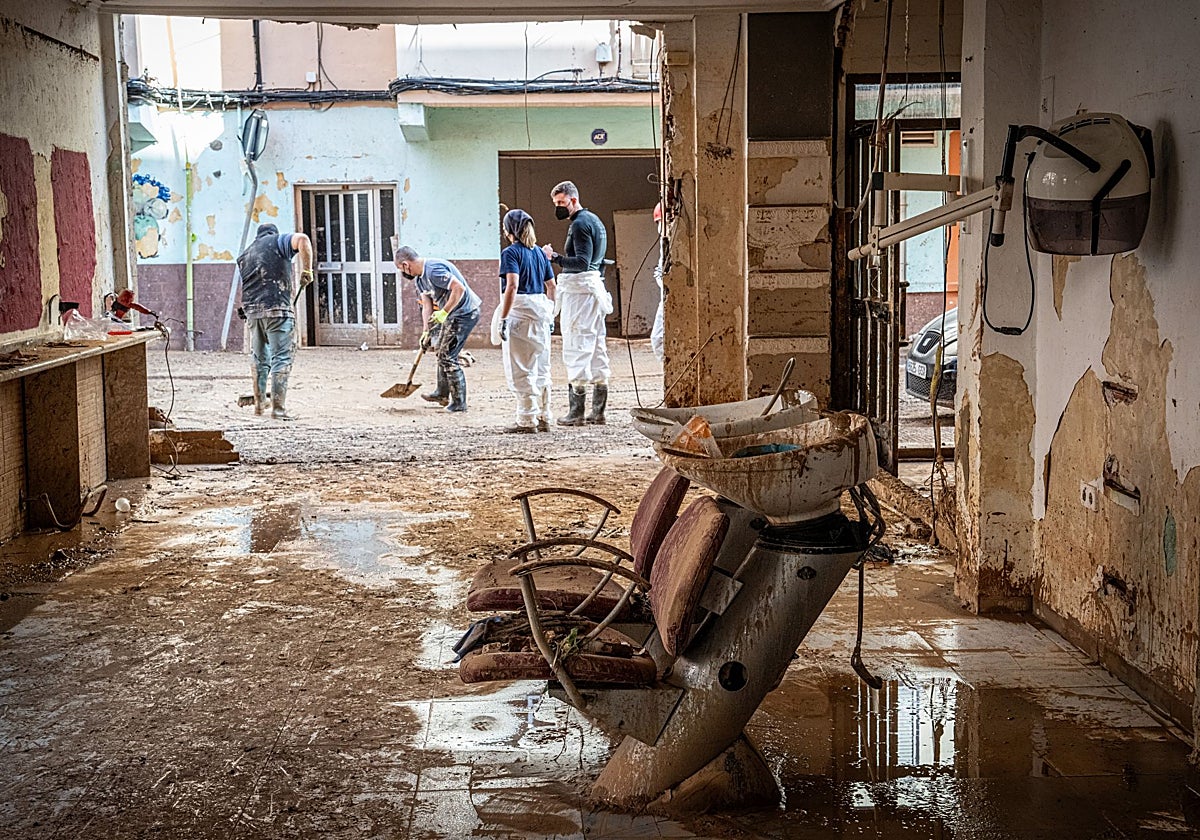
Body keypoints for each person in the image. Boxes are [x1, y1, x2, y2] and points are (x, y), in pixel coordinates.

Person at [541, 180, 611, 426]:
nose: (558, 207)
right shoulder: (595, 220)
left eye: (561, 202)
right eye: (556, 203)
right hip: (592, 290)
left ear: (573, 199)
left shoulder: (580, 224)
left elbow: (581, 262)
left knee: (577, 345)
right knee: (597, 346)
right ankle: (598, 411)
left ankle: (576, 411)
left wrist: (554, 257)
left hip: (580, 293)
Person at [235, 223, 313, 420]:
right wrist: (307, 270)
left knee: (260, 359)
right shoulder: (278, 241)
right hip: (277, 310)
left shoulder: (245, 255)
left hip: (253, 313)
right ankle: (278, 410)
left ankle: (260, 405)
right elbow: (303, 239)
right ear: (273, 233)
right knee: (281, 358)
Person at [394, 245, 481, 413]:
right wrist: (426, 331)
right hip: (452, 314)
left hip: (465, 312)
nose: (403, 273)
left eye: (401, 269)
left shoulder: (433, 270)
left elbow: (459, 288)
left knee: (447, 355)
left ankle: (459, 403)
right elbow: (427, 306)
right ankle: (442, 394)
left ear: (405, 265)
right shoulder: (420, 280)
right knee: (440, 350)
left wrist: (444, 312)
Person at [498, 209, 556, 433]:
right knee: (541, 367)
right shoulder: (540, 253)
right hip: (541, 314)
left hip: (520, 315)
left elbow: (512, 285)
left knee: (521, 367)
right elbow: (551, 286)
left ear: (510, 230)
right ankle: (545, 415)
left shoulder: (510, 253)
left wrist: (504, 317)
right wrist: (551, 314)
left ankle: (526, 419)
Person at [650, 202, 666, 361]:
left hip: (670, 294)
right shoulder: (664, 241)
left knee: (659, 339)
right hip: (665, 293)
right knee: (658, 339)